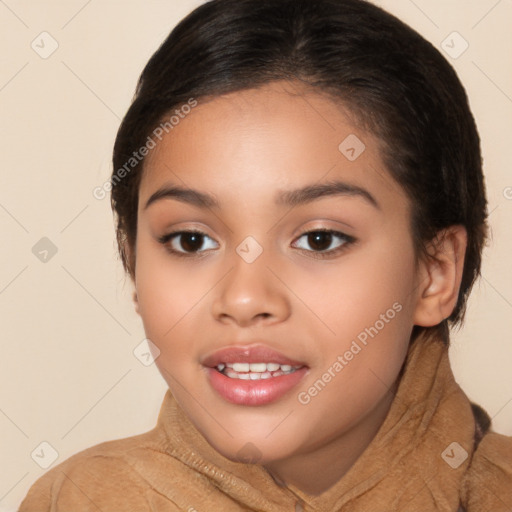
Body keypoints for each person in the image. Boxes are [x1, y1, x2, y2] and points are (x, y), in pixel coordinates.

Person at [19, 0, 512, 510]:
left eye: (320, 239)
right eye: (191, 240)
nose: (245, 298)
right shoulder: (71, 501)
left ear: (436, 272)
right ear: (134, 266)